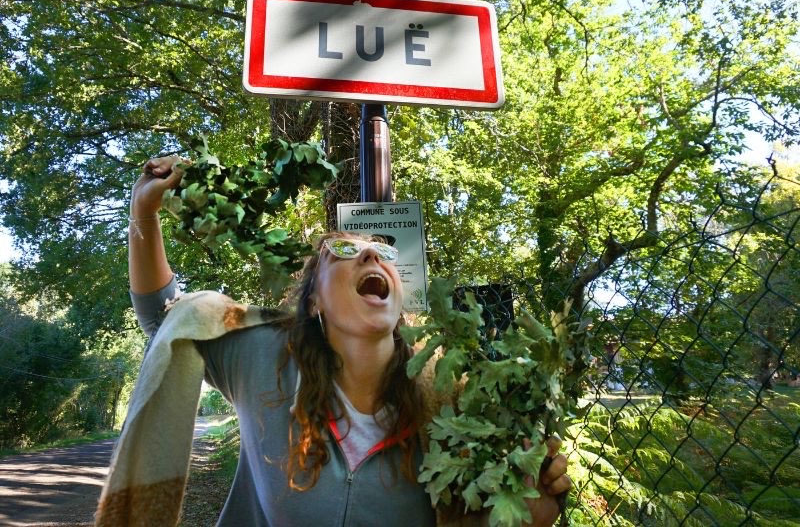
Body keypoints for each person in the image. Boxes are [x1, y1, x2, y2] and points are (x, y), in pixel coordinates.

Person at [125, 156, 572, 527]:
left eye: (385, 255)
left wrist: (539, 492)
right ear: (315, 299)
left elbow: (495, 515)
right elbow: (163, 318)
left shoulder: (449, 396)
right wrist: (143, 213)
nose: (372, 254)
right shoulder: (263, 356)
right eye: (343, 252)